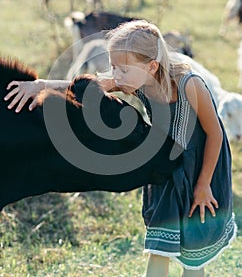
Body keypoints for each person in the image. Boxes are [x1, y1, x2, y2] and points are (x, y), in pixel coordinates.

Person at [4, 20, 236, 276]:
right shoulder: (133, 80)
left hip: (200, 166)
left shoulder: (189, 85)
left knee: (193, 247)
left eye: (122, 69)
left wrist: (203, 185)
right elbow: (86, 84)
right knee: (160, 245)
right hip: (167, 163)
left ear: (151, 66)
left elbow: (215, 134)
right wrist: (41, 85)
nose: (116, 75)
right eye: (114, 67)